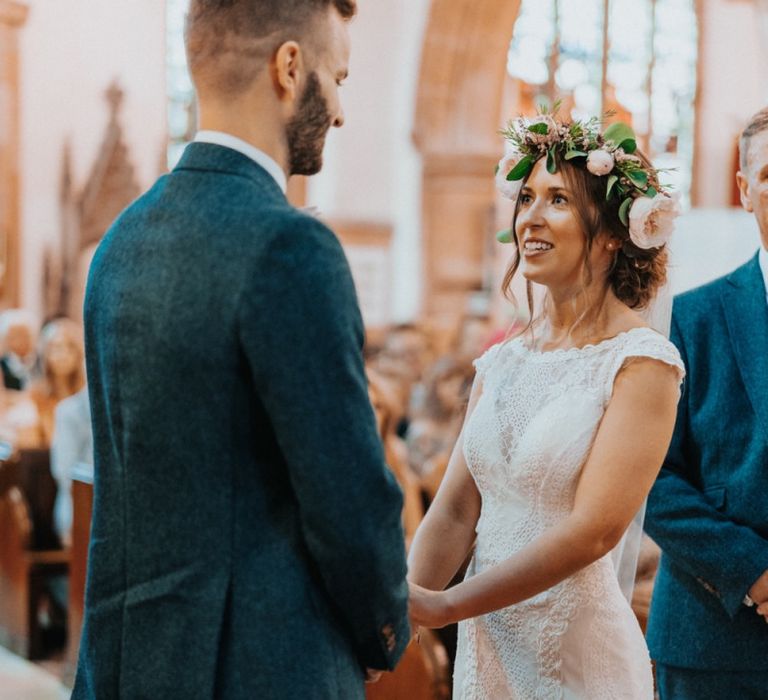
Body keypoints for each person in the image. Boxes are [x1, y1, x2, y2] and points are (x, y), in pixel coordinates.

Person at [73, 2, 409, 698]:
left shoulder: (121, 242)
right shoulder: (289, 245)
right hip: (261, 662)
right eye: (337, 77)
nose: (341, 109)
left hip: (128, 661)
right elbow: (347, 495)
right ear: (289, 67)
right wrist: (381, 626)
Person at [406, 111, 685, 698]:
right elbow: (457, 509)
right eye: (527, 195)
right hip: (488, 643)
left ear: (612, 233)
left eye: (558, 199)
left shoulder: (641, 362)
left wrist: (448, 604)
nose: (530, 215)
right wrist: (398, 615)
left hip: (574, 651)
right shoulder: (502, 362)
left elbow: (595, 531)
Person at [644, 107, 768, 698]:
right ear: (746, 191)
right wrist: (756, 574)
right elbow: (650, 477)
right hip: (714, 638)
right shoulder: (690, 319)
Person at [29, 318, 86, 447]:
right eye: (56, 348)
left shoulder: (87, 396)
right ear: (46, 353)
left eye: (69, 347)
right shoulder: (36, 396)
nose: (63, 354)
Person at [0, 309, 38, 390]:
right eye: (16, 336)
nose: (21, 341)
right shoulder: (2, 365)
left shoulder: (41, 361)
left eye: (25, 335)